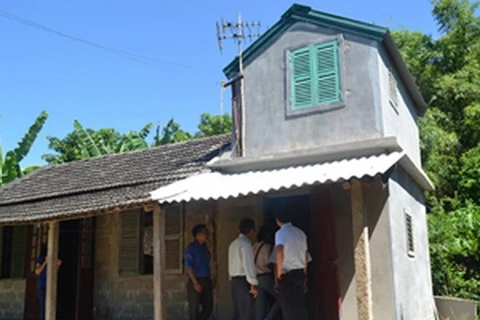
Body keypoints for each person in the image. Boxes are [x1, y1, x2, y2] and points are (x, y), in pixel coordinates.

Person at [274, 209, 311, 320]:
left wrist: (279, 271)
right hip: (300, 272)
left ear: (278, 220)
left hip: (288, 274)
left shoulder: (280, 233)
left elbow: (280, 250)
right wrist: (305, 273)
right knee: (300, 307)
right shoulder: (300, 233)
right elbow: (305, 254)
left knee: (289, 309)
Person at [228, 218, 258, 320]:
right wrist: (253, 284)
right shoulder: (246, 244)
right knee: (246, 310)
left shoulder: (233, 244)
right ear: (252, 230)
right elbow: (248, 265)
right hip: (243, 280)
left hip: (234, 280)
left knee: (238, 310)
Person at [184, 224, 213, 320]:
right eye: (205, 233)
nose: (207, 235)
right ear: (198, 235)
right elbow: (189, 267)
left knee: (208, 307)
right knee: (194, 308)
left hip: (206, 280)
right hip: (195, 280)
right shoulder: (191, 248)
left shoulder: (205, 248)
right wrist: (195, 282)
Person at [252, 226, 280, 320]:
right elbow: (268, 262)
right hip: (265, 277)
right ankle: (268, 318)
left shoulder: (254, 246)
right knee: (281, 299)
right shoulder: (267, 247)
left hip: (256, 278)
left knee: (261, 306)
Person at [35, 244, 62, 320]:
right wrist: (45, 262)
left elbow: (54, 274)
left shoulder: (53, 259)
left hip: (50, 286)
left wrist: (58, 266)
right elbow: (37, 271)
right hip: (42, 286)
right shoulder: (41, 259)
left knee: (51, 306)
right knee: (43, 306)